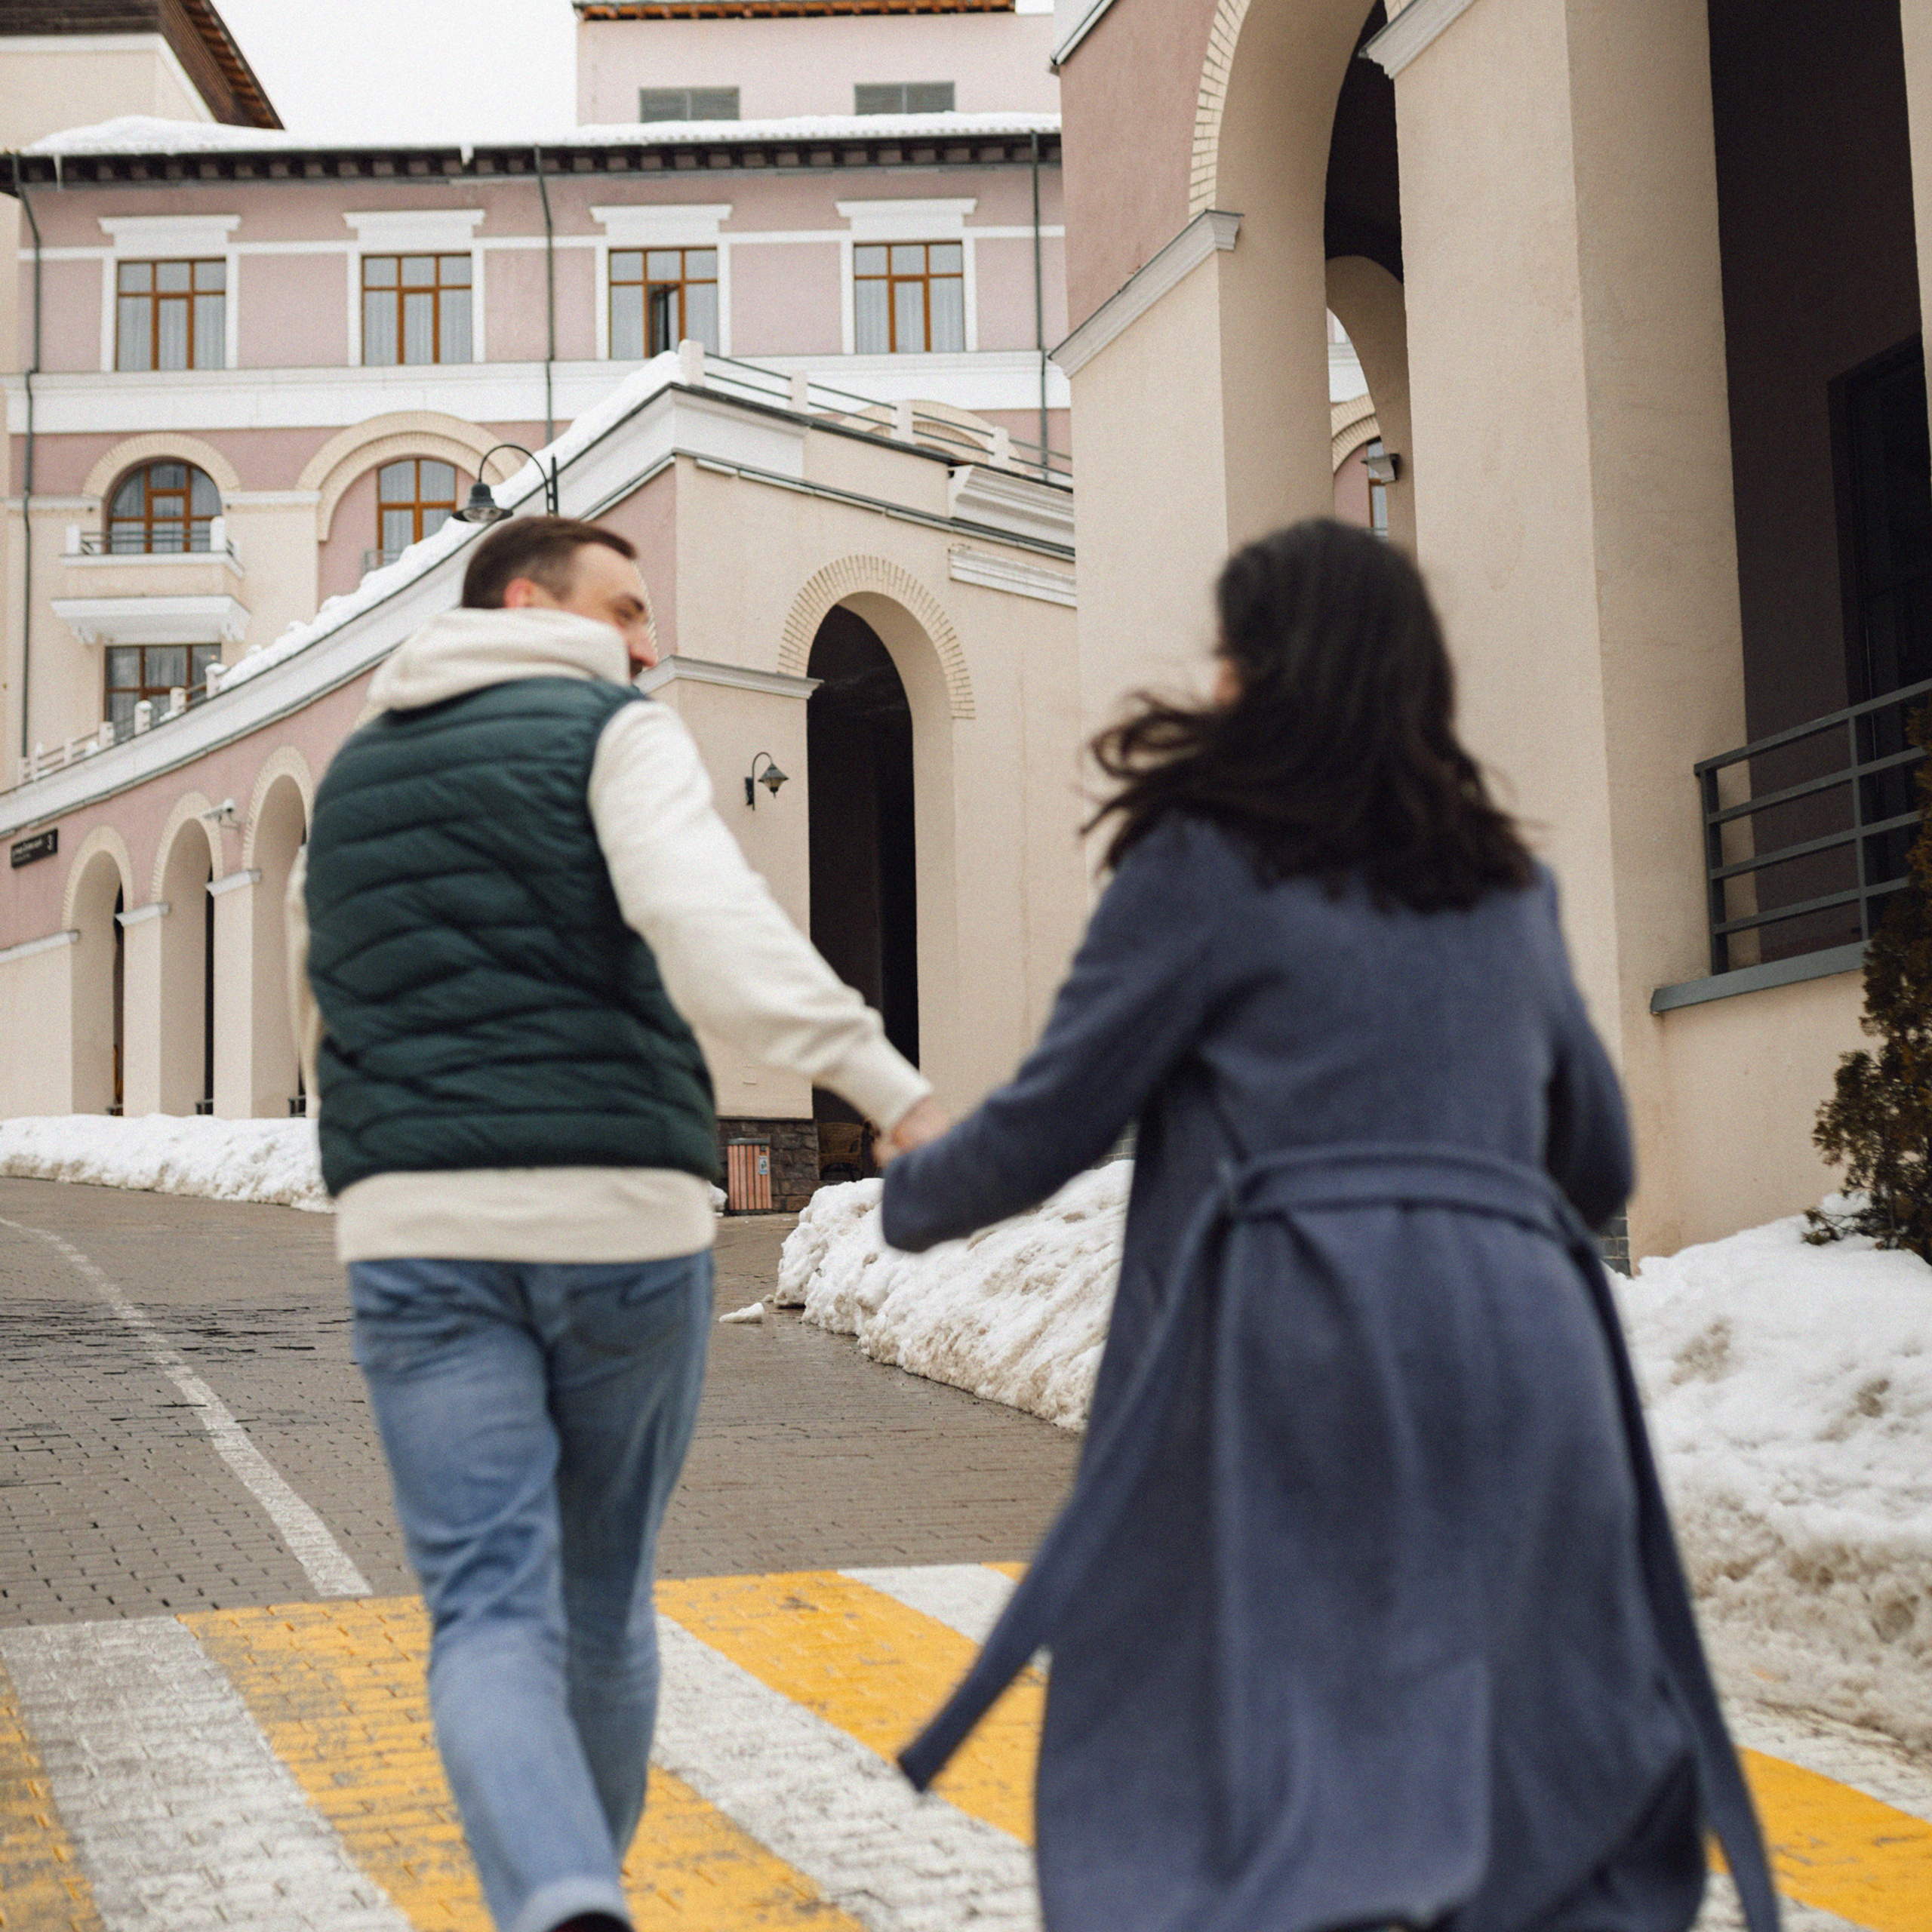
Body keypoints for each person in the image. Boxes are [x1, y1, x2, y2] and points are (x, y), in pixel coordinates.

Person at [882, 521, 1780, 1932]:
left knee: (1252, 1774)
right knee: (1520, 1764)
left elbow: (1054, 1120)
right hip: (1529, 1357)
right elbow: (1593, 1159)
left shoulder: (1201, 861)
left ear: (1257, 671)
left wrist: (913, 1182)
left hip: (1291, 1355)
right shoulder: (1506, 887)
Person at [288, 515, 943, 1932]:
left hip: (421, 1235)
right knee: (600, 1596)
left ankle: (562, 1898)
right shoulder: (610, 727)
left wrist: (378, 1163)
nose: (649, 641)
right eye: (628, 607)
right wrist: (890, 1089)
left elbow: (322, 997)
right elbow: (709, 924)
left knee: (487, 1609)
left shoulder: (352, 778)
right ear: (531, 601)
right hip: (618, 1219)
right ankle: (584, 1888)